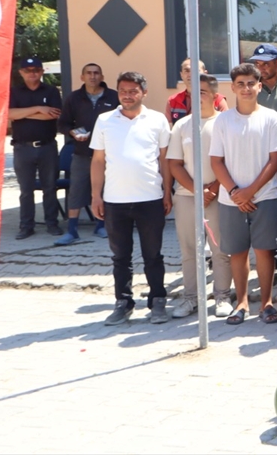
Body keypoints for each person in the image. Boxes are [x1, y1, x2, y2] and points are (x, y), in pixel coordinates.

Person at [91, 71, 174, 325]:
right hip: (115, 200)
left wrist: (167, 191)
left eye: (133, 91)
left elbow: (165, 159)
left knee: (153, 255)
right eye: (123, 91)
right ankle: (123, 303)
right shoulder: (105, 120)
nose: (127, 96)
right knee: (120, 257)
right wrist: (96, 196)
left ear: (144, 93)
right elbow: (98, 161)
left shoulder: (157, 120)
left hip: (150, 198)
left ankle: (157, 301)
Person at [209, 63, 277, 325]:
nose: (246, 88)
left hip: (263, 196)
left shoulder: (271, 118)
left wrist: (250, 191)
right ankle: (241, 303)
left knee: (265, 251)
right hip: (230, 199)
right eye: (240, 84)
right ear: (232, 88)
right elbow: (216, 161)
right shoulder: (223, 121)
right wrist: (235, 192)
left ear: (259, 86)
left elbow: (275, 159)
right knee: (238, 252)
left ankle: (266, 303)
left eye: (251, 83)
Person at [165, 73, 233, 318]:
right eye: (193, 92)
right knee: (189, 250)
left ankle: (222, 296)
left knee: (220, 249)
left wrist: (213, 189)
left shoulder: (225, 123)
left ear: (215, 96)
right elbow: (174, 164)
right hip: (187, 196)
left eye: (202, 92)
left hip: (219, 195)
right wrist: (197, 190)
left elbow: (231, 162)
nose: (197, 96)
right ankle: (191, 298)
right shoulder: (182, 126)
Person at [56, 62, 119, 244]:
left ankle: (101, 225)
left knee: (105, 190)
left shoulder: (113, 97)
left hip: (108, 154)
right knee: (76, 189)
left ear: (102, 77)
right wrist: (73, 132)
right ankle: (72, 230)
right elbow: (63, 123)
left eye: (96, 73)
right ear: (82, 77)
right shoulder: (73, 98)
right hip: (81, 152)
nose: (93, 76)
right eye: (89, 73)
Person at [9, 56, 63, 239]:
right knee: (26, 190)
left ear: (42, 71)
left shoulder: (51, 91)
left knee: (50, 188)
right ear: (21, 72)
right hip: (22, 148)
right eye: (28, 70)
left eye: (36, 70)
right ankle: (26, 226)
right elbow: (8, 113)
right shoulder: (14, 92)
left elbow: (53, 115)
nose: (32, 73)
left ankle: (52, 224)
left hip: (47, 147)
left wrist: (22, 114)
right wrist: (39, 108)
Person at [166, 58, 228, 124]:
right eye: (187, 71)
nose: (191, 74)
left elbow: (226, 124)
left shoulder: (217, 99)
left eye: (195, 70)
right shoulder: (173, 101)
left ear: (205, 73)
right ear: (181, 75)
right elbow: (169, 127)